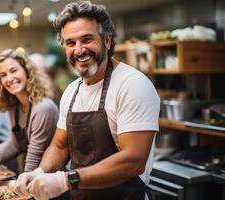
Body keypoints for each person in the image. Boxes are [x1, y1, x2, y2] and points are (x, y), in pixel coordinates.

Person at [14, 1, 160, 200]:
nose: (79, 50)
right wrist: (40, 171)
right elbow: (59, 145)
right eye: (70, 43)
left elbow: (133, 160)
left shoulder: (133, 85)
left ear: (107, 41)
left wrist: (66, 180)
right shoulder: (72, 91)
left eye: (87, 39)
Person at [0, 49, 59, 172]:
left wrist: (22, 183)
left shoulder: (43, 107)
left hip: (50, 177)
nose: (9, 78)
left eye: (13, 71)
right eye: (3, 75)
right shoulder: (14, 107)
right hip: (33, 175)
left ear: (27, 71)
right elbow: (15, 143)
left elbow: (35, 156)